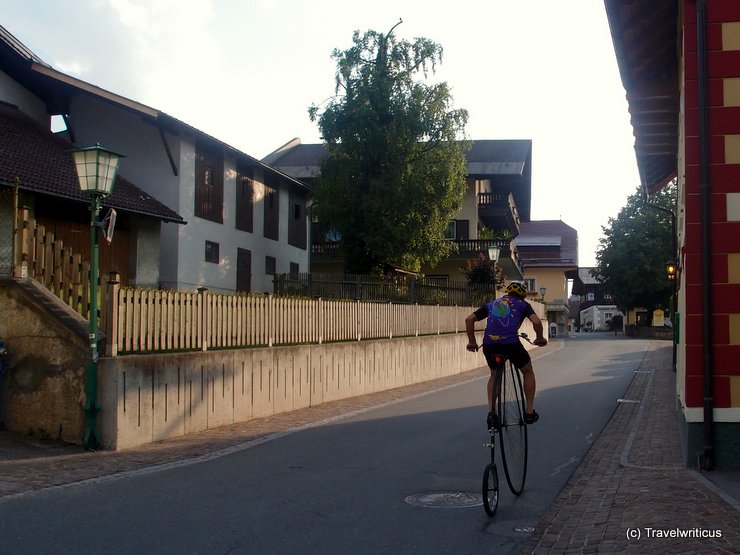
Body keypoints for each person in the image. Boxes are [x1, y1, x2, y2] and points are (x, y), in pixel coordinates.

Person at [465, 281, 547, 430]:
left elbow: (469, 319)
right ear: (522, 295)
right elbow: (536, 321)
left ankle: (491, 413)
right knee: (527, 371)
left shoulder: (492, 304)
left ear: (507, 293)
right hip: (511, 344)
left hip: (490, 345)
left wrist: (472, 342)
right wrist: (539, 338)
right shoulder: (523, 304)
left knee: (494, 374)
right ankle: (529, 412)